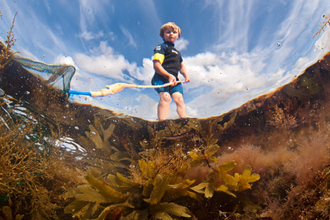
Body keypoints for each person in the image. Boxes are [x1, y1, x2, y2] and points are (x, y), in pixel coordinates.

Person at [151, 22, 191, 121]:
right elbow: (156, 65)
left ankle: (184, 120)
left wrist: (186, 75)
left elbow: (181, 66)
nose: (171, 34)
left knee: (179, 99)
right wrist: (168, 75)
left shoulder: (178, 53)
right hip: (160, 78)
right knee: (166, 97)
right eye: (168, 32)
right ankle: (162, 122)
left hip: (174, 80)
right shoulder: (162, 47)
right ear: (163, 35)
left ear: (178, 35)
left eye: (174, 32)